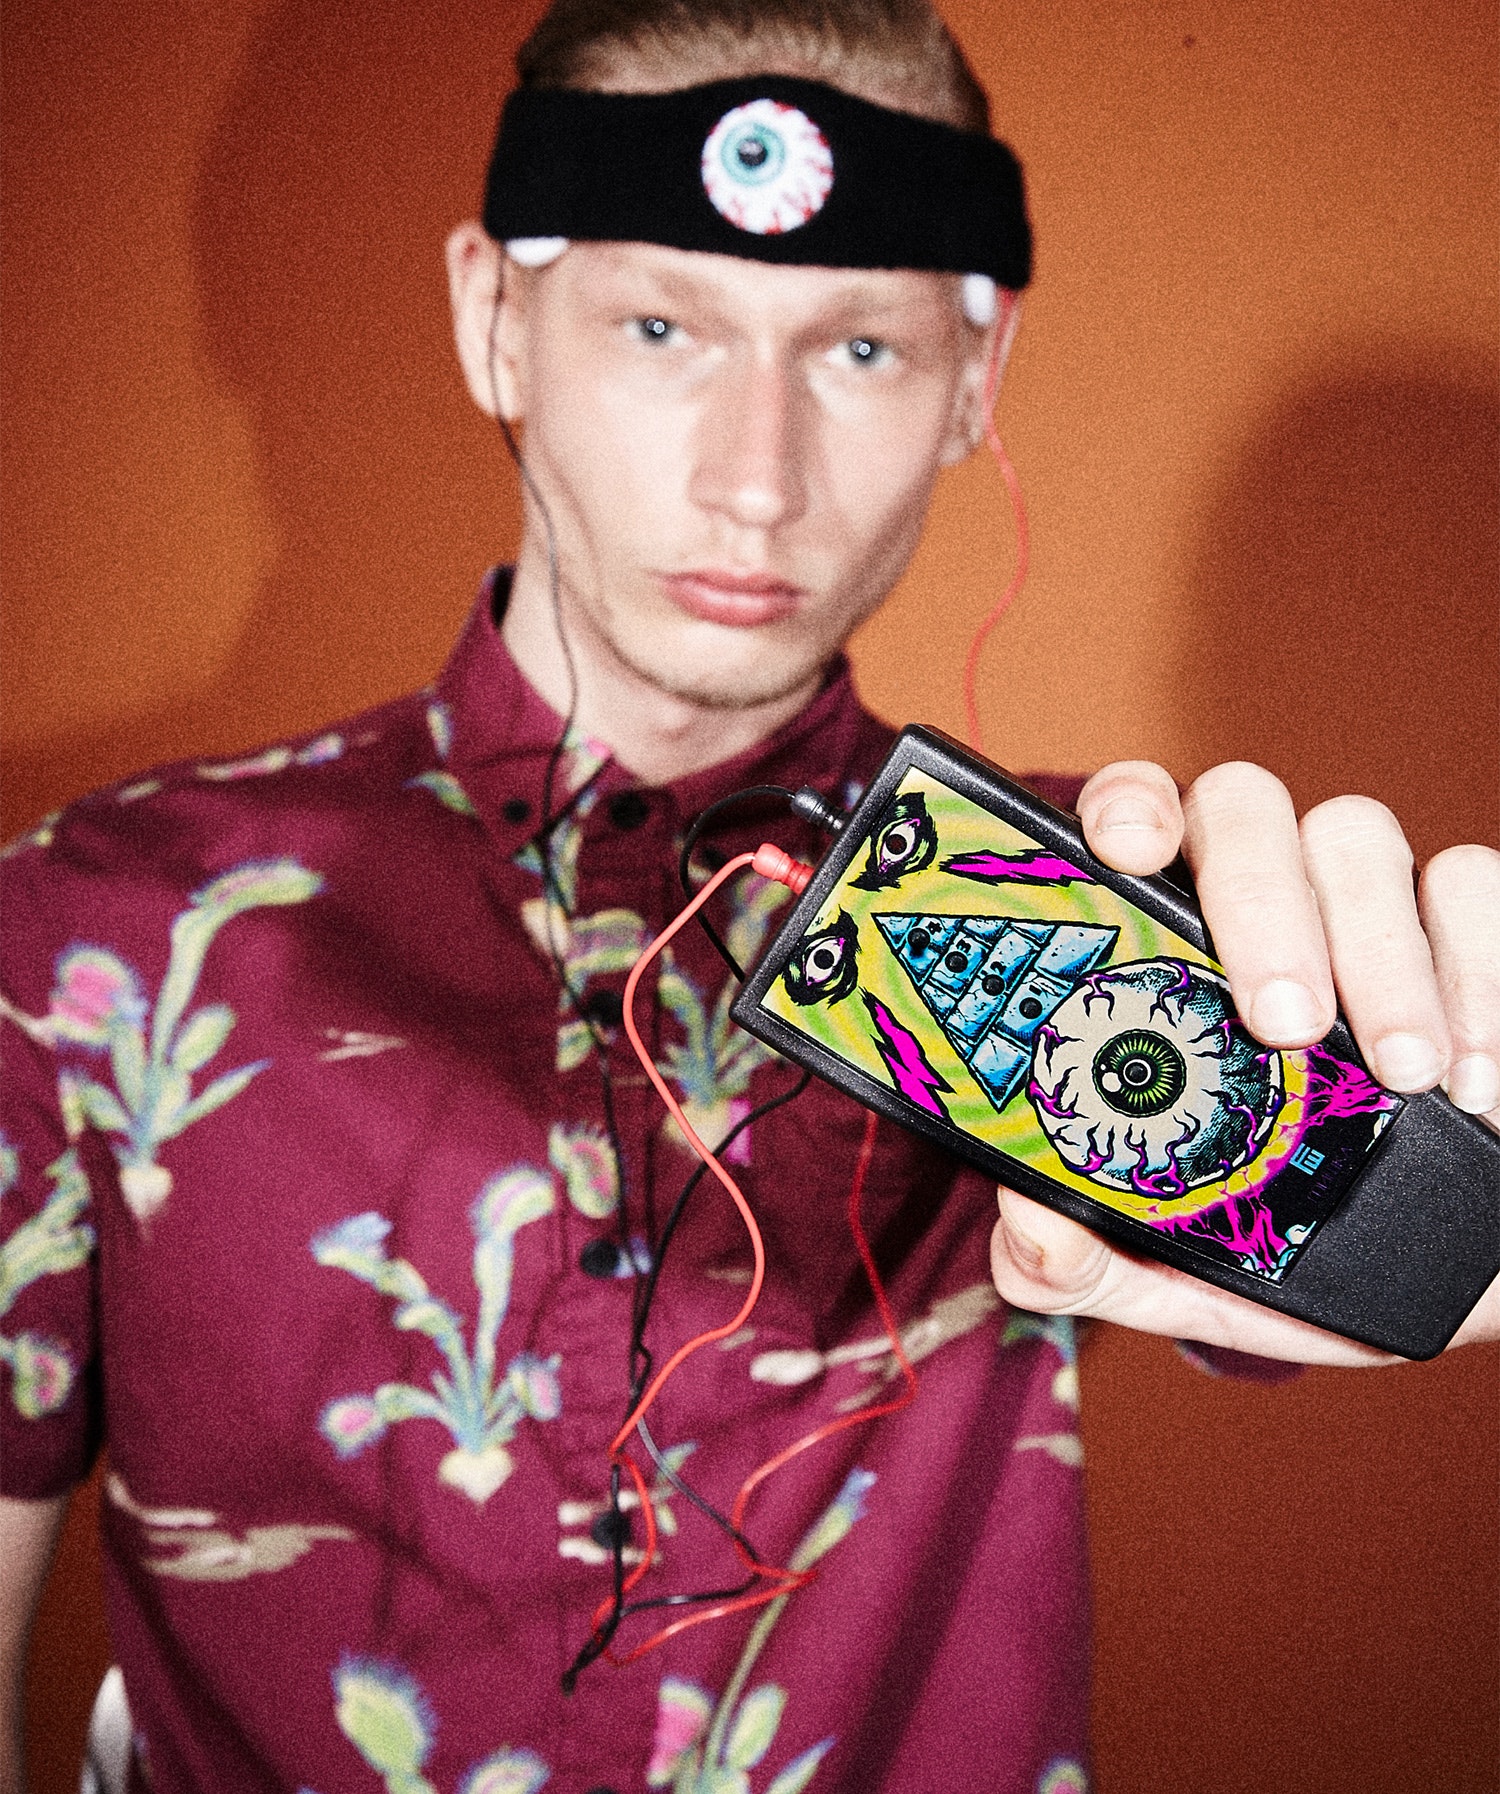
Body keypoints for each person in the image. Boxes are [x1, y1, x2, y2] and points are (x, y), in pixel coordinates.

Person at [2, 2, 1496, 1789]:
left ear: (977, 378)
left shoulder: (1117, 928)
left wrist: (1465, 1128)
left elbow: (1404, 1241)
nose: (757, 478)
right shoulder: (96, 932)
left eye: (860, 347)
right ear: (495, 319)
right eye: (662, 327)